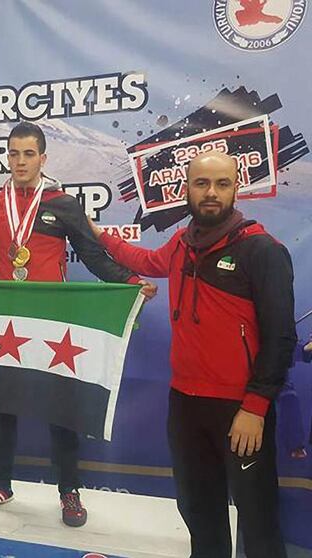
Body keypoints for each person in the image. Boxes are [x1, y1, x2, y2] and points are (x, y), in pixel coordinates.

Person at [0, 122, 153, 526]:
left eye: (28, 154)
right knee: (2, 403)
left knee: (61, 407)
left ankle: (69, 493)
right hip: (5, 319)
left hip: (52, 322)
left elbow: (93, 256)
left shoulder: (63, 204)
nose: (20, 162)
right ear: (7, 157)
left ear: (43, 158)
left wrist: (128, 282)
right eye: (14, 154)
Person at [89, 151, 296, 558]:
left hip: (240, 410)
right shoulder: (181, 243)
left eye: (222, 184)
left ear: (237, 188)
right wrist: (98, 234)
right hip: (185, 405)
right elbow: (145, 261)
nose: (212, 193)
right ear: (186, 190)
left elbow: (280, 339)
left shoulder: (263, 250)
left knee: (258, 522)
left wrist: (254, 408)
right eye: (202, 184)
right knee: (200, 514)